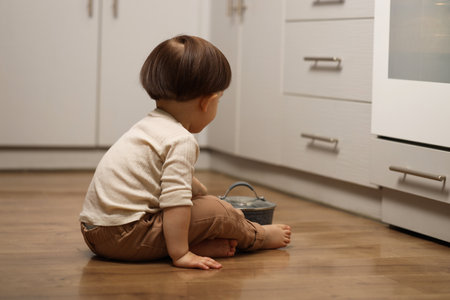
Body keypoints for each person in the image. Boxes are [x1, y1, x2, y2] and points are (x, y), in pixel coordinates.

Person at [79, 35, 291, 270]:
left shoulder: (149, 126)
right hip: (124, 236)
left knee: (200, 203)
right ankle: (257, 237)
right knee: (217, 210)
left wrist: (195, 189)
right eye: (219, 99)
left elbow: (160, 176)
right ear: (207, 102)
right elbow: (175, 203)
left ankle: (196, 245)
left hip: (95, 233)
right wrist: (181, 255)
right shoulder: (181, 140)